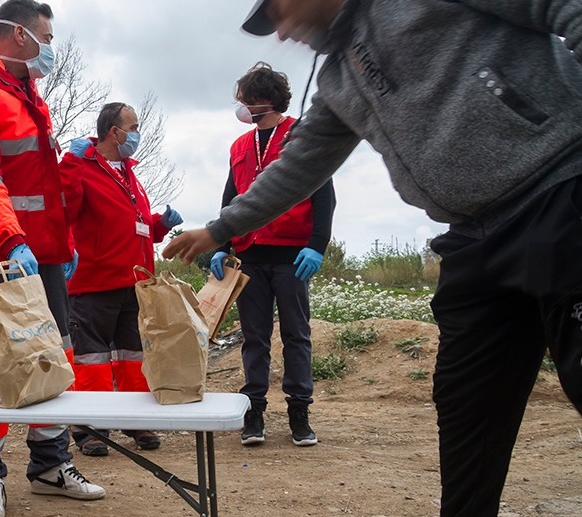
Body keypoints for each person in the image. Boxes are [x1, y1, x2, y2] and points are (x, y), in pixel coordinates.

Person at [163, 1, 582, 515]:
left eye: (282, 12)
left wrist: (313, 244)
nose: (283, 31)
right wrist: (221, 230)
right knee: (467, 409)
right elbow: (301, 166)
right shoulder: (340, 80)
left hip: (561, 192)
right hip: (473, 238)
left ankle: (300, 412)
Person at [0, 2, 105, 516]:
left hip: (40, 256)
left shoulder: (26, 94)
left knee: (55, 360)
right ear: (15, 34)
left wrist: (63, 246)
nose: (50, 46)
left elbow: (42, 188)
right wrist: (12, 241)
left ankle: (51, 465)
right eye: (44, 36)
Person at [212, 62, 334, 448]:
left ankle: (299, 411)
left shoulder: (300, 135)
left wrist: (317, 245)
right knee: (254, 336)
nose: (241, 107)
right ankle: (255, 411)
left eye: (246, 101)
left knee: (297, 334)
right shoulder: (239, 146)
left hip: (292, 255)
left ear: (263, 100)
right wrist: (221, 245)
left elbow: (324, 195)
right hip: (251, 254)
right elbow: (231, 198)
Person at [60, 102, 183, 457]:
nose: (137, 133)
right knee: (92, 358)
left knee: (133, 357)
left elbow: (132, 224)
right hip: (94, 282)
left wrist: (159, 225)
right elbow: (64, 207)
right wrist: (70, 161)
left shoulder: (129, 171)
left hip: (134, 282)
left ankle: (135, 420)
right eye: (133, 126)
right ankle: (90, 428)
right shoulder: (80, 167)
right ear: (114, 132)